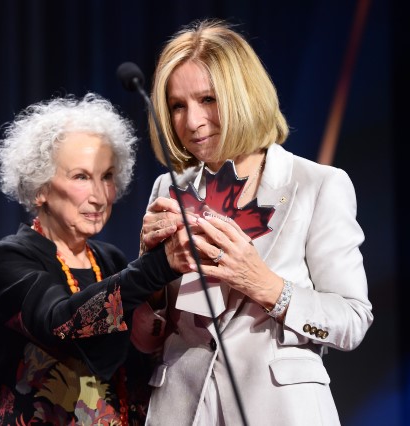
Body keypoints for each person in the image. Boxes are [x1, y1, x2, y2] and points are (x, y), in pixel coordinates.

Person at [131, 18, 374, 425]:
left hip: (280, 410)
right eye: (177, 106)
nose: (192, 122)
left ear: (243, 96)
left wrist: (265, 285)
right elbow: (147, 340)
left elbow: (351, 319)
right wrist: (149, 278)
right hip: (183, 409)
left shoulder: (316, 185)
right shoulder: (167, 189)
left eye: (208, 99)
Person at [0, 92, 196, 426]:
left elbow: (138, 365)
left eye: (107, 176)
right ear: (40, 187)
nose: (99, 196)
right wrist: (158, 265)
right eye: (81, 176)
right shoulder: (7, 258)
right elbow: (60, 325)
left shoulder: (110, 261)